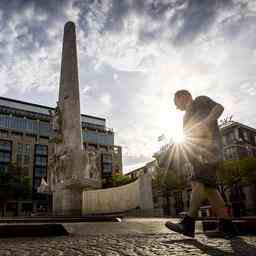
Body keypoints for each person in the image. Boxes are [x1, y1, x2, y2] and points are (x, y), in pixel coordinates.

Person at [165, 90, 237, 238]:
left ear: (183, 96)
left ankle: (188, 224)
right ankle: (228, 227)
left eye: (175, 102)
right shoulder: (185, 118)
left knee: (197, 181)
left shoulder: (200, 100)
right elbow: (189, 139)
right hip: (199, 154)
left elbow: (219, 108)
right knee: (210, 189)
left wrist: (207, 121)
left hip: (209, 149)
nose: (176, 107)